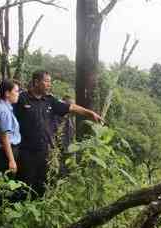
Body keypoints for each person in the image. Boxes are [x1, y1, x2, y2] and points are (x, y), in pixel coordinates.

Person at [13, 70, 102, 199]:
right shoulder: (21, 99)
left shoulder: (50, 100)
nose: (49, 84)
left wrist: (90, 113)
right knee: (21, 188)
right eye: (47, 81)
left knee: (41, 189)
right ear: (36, 82)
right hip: (25, 153)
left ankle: (36, 215)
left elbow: (70, 107)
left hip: (45, 153)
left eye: (50, 82)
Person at [0, 79, 21, 217]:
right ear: (7, 93)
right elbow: (5, 138)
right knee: (3, 186)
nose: (18, 94)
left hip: (6, 151)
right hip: (4, 152)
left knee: (4, 185)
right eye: (16, 91)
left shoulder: (7, 109)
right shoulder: (3, 111)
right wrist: (11, 160)